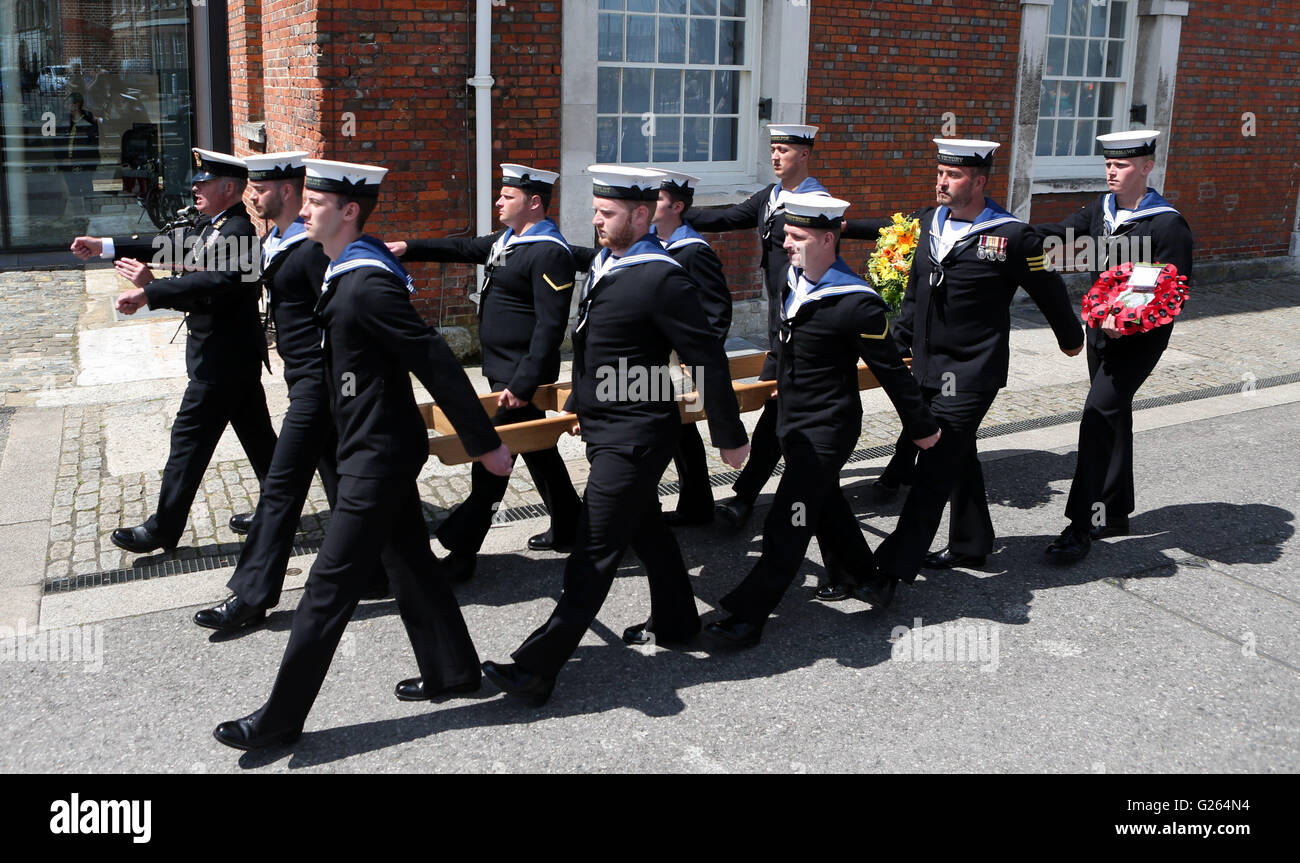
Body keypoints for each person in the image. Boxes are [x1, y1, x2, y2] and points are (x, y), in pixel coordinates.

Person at [213, 158, 513, 750]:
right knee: (409, 562)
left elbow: (434, 359)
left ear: (349, 211)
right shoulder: (344, 267)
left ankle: (279, 718)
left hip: (377, 455)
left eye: (316, 204)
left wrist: (486, 445)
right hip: (370, 442)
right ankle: (454, 671)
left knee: (327, 586)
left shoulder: (366, 282)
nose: (303, 210)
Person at [480, 165, 750, 706]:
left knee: (595, 548)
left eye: (607, 214)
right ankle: (676, 621)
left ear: (642, 215)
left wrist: (729, 432)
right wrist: (582, 402)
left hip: (637, 433)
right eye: (597, 212)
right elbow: (593, 345)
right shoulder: (611, 262)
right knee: (645, 528)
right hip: (608, 423)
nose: (596, 223)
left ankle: (538, 666)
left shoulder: (662, 276)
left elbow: (704, 355)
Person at [707, 194, 940, 647]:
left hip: (828, 430)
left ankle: (748, 616)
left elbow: (891, 370)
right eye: (785, 235)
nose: (786, 244)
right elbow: (783, 342)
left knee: (789, 517)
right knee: (824, 501)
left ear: (828, 238)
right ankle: (865, 575)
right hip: (791, 423)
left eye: (797, 237)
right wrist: (770, 381)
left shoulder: (858, 304)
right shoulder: (793, 279)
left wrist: (922, 426)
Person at [873, 139, 1085, 592]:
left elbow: (1048, 289)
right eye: (940, 173)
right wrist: (897, 344)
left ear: (980, 181)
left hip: (971, 374)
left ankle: (889, 568)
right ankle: (972, 542)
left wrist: (1070, 338)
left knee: (932, 467)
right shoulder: (931, 223)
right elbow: (915, 295)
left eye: (953, 175)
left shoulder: (1013, 236)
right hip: (927, 368)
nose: (941, 182)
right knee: (958, 454)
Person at [193, 151, 384, 633]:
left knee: (280, 488)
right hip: (306, 380)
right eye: (251, 186)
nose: (252, 194)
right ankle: (380, 571)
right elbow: (216, 270)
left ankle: (252, 595)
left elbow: (347, 318)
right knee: (344, 481)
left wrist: (347, 383)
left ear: (287, 189)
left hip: (320, 385)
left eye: (261, 188)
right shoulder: (276, 241)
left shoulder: (310, 250)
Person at [70, 149, 277, 555]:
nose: (195, 187)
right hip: (229, 357)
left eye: (203, 182)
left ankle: (164, 528)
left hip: (222, 360)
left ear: (228, 189)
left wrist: (150, 290)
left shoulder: (237, 231)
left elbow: (213, 286)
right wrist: (104, 245)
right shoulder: (212, 224)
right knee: (259, 439)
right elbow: (170, 246)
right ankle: (279, 506)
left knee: (188, 443)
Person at [686, 124, 885, 528]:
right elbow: (728, 217)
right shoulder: (771, 197)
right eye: (773, 150)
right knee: (780, 415)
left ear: (805, 155)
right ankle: (799, 491)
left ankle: (747, 497)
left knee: (777, 415)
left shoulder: (815, 205)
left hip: (802, 324)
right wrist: (672, 211)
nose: (775, 157)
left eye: (784, 150)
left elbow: (820, 269)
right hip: (781, 324)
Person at [388, 164, 580, 581]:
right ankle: (571, 524)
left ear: (533, 202)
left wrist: (524, 383)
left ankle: (463, 545)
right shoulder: (508, 241)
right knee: (537, 448)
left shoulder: (547, 250)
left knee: (492, 456)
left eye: (507, 197)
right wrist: (407, 246)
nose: (498, 201)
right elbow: (461, 249)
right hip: (502, 370)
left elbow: (550, 326)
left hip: (519, 375)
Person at [1038, 130, 1194, 561]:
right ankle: (1114, 511)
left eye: (1122, 165)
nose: (1112, 171)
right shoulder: (1100, 211)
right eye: (1108, 164)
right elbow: (1057, 234)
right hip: (1099, 333)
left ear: (1146, 167)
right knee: (1114, 415)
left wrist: (1128, 323)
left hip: (1139, 341)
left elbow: (1175, 289)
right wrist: (1009, 234)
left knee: (1097, 415)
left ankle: (1080, 525)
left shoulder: (1166, 222)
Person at [648, 169, 733, 526]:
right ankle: (697, 503)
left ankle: (687, 504)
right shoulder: (649, 242)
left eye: (658, 198)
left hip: (679, 362)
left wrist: (695, 360)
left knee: (671, 432)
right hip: (654, 360)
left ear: (677, 205)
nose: (650, 203)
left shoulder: (694, 251)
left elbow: (717, 309)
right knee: (679, 432)